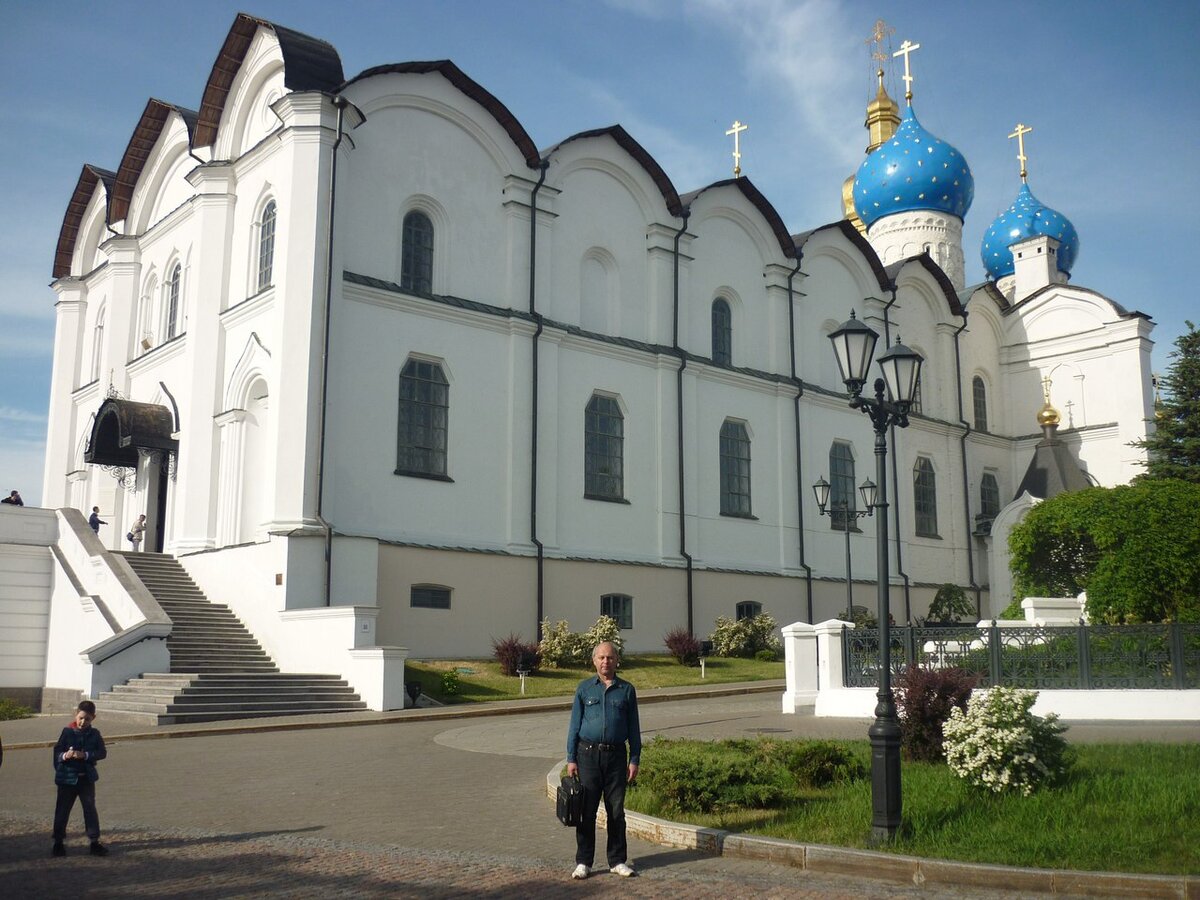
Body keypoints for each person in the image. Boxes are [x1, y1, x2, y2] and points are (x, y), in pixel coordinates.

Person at [565, 640, 641, 880]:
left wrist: (634, 758)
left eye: (610, 657)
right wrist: (571, 758)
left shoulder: (626, 690)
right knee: (586, 812)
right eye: (601, 658)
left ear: (617, 660)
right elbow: (574, 726)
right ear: (594, 661)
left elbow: (634, 728)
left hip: (616, 757)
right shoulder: (584, 689)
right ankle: (584, 861)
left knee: (616, 812)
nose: (606, 662)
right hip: (587, 755)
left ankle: (617, 860)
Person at [52, 700, 108, 857]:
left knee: (90, 810)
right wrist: (65, 755)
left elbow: (102, 752)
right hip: (67, 779)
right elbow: (57, 753)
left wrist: (86, 755)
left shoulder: (95, 734)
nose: (83, 722)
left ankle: (94, 841)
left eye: (87, 719)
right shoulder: (67, 732)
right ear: (76, 715)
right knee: (62, 810)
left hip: (86, 779)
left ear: (93, 718)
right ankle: (58, 842)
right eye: (81, 718)